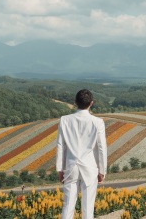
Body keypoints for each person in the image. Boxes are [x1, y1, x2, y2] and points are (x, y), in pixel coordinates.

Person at [56, 89, 107, 219]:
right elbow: (101, 148)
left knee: (67, 206)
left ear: (75, 102)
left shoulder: (64, 120)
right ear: (91, 103)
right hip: (90, 168)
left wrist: (59, 169)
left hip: (70, 166)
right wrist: (102, 171)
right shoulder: (98, 122)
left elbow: (60, 145)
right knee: (88, 209)